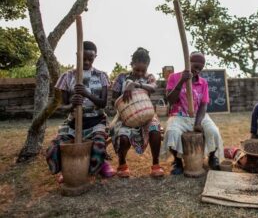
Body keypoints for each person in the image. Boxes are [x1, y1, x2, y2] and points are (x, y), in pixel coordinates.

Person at [46, 41, 115, 182]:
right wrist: (72, 105)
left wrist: (87, 94)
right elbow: (62, 107)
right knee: (53, 148)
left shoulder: (101, 76)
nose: (87, 61)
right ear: (78, 55)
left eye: (91, 58)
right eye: (84, 58)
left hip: (96, 121)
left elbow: (103, 104)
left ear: (95, 57)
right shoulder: (67, 76)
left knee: (98, 146)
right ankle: (68, 168)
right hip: (73, 123)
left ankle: (97, 166)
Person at [162, 52, 224, 175]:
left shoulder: (203, 83)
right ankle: (177, 161)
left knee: (213, 131)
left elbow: (203, 105)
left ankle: (212, 156)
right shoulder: (174, 77)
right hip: (178, 116)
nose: (197, 71)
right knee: (171, 132)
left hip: (198, 116)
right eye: (195, 67)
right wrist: (181, 81)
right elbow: (170, 100)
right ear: (188, 63)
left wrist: (198, 122)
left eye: (200, 69)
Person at [111, 47, 164, 178]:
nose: (140, 73)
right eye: (136, 70)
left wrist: (136, 85)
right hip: (126, 116)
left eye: (143, 70)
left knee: (155, 130)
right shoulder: (122, 77)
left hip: (147, 114)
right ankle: (122, 164)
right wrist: (126, 97)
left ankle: (156, 164)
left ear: (147, 67)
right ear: (131, 64)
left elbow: (153, 88)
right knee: (123, 137)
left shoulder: (149, 77)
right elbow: (114, 98)